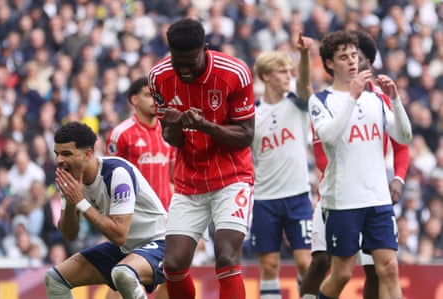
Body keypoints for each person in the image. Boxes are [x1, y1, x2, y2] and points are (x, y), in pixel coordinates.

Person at [148, 18, 255, 299]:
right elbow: (172, 140)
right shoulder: (158, 77)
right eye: (177, 61)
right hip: (190, 180)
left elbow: (246, 135)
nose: (183, 68)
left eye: (190, 61)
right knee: (173, 264)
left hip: (232, 177)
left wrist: (206, 125)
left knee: (227, 257)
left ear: (204, 49)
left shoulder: (235, 73)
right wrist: (171, 126)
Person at [300, 31, 410, 299]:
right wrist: (351, 97)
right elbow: (328, 136)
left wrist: (395, 100)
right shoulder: (320, 100)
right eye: (342, 57)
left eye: (353, 56)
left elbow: (404, 137)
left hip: (378, 199)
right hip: (343, 201)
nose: (351, 62)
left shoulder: (377, 100)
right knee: (342, 274)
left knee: (389, 268)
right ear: (329, 64)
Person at [44, 121, 168, 299]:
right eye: (57, 154)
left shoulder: (117, 173)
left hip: (160, 242)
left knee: (123, 273)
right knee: (55, 279)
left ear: (87, 154)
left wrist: (81, 202)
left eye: (66, 154)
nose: (59, 160)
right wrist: (71, 204)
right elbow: (70, 235)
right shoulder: (69, 180)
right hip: (126, 248)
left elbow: (119, 234)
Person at [250, 32, 314, 299]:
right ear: (266, 77)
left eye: (290, 71)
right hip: (265, 199)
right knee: (269, 265)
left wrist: (305, 55)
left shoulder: (297, 104)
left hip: (298, 196)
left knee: (305, 263)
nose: (289, 75)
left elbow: (306, 87)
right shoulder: (252, 114)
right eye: (282, 72)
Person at [106, 76, 175, 211]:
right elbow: (109, 176)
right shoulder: (121, 133)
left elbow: (173, 175)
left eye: (157, 96)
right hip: (136, 213)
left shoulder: (168, 131)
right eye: (148, 95)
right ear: (135, 100)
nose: (155, 100)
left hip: (166, 211)